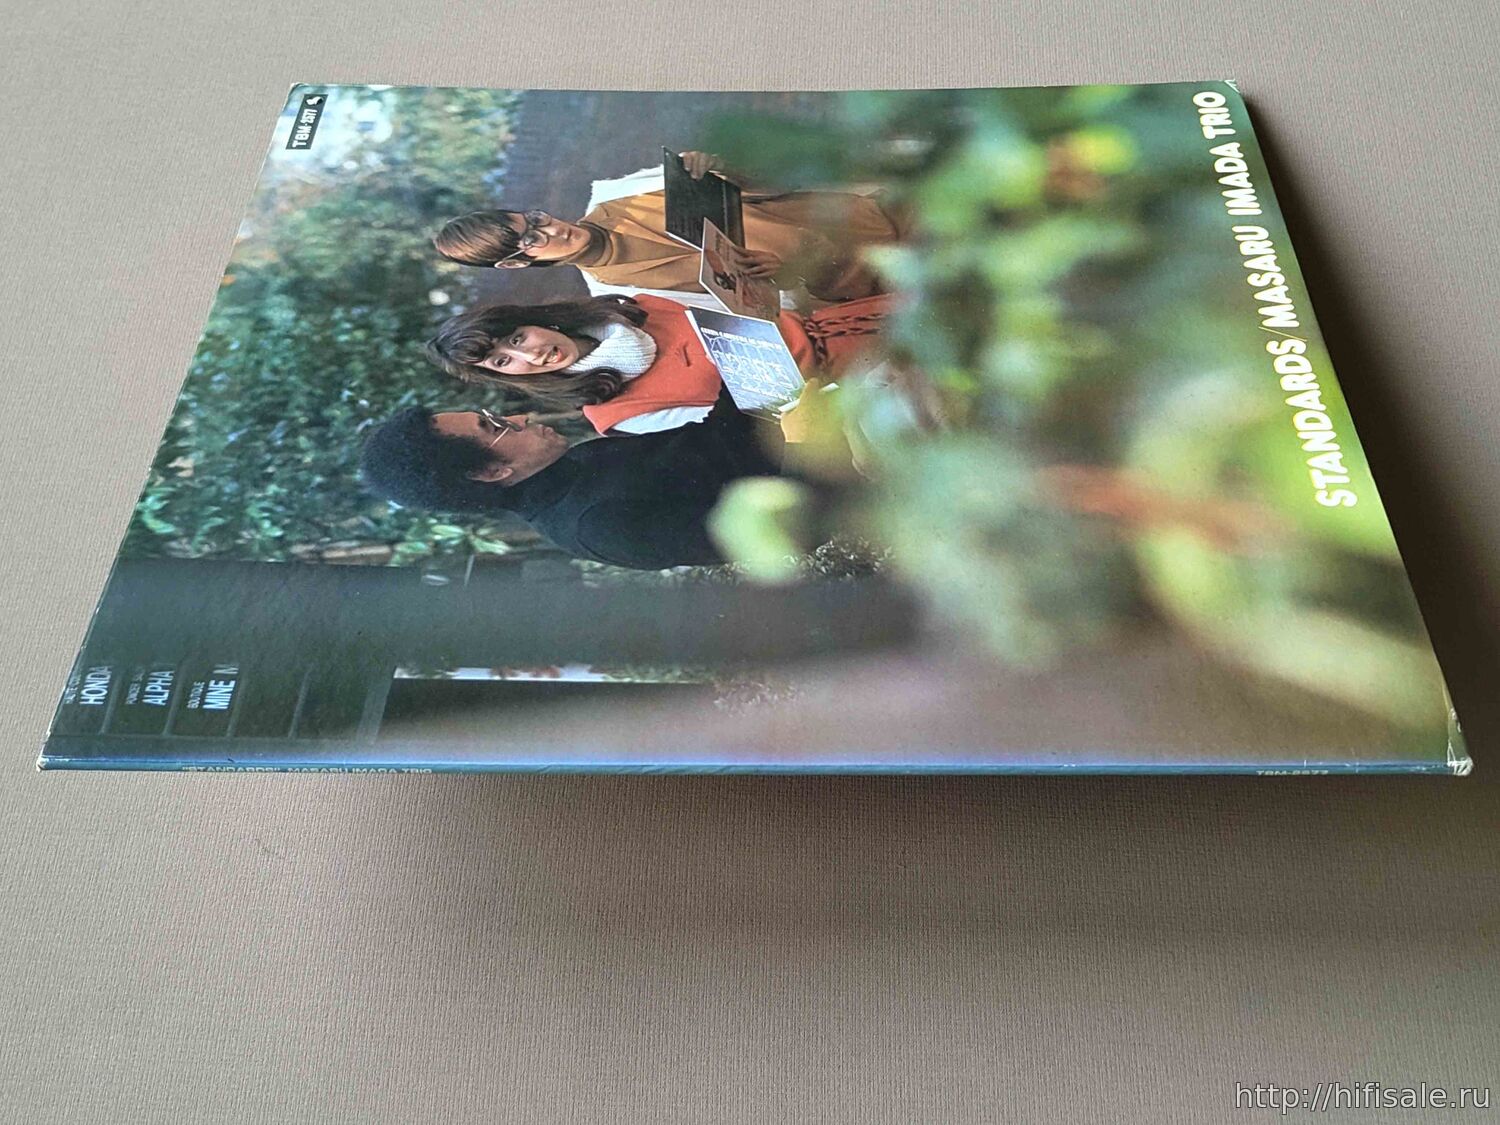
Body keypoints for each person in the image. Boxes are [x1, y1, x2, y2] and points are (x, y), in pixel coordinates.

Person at [358, 395, 786, 570]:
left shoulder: (572, 463)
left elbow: (716, 440)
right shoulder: (596, 526)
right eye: (497, 426)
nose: (520, 416)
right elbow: (778, 532)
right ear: (490, 472)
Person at [431, 152, 906, 303]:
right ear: (518, 263)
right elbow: (758, 309)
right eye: (534, 239)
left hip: (865, 219)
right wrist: (775, 276)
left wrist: (716, 166)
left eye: (536, 218)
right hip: (858, 283)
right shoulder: (621, 291)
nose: (553, 229)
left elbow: (762, 184)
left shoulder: (619, 196)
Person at [423, 292, 891, 437]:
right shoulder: (616, 414)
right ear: (503, 376)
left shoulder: (634, 307)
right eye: (504, 361)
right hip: (853, 390)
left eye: (517, 338)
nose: (531, 354)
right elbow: (755, 427)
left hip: (848, 322)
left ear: (531, 320)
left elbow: (748, 305)